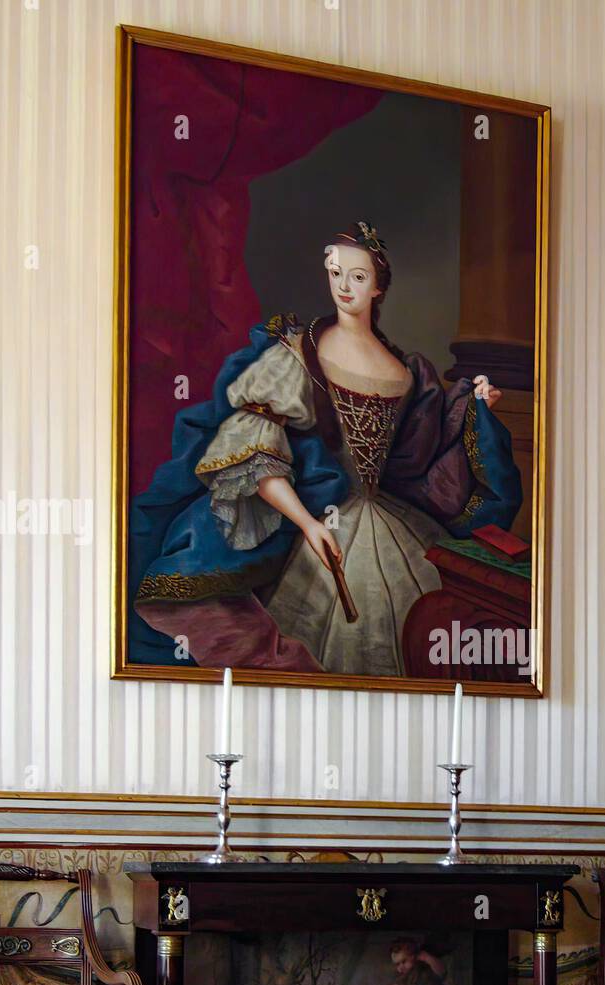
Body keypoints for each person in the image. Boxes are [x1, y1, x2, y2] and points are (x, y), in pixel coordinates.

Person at [130, 221, 522, 676]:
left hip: (397, 525)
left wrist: (476, 406)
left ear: (378, 287)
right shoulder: (299, 351)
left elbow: (426, 452)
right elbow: (258, 444)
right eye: (337, 273)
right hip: (322, 518)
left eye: (358, 276)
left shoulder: (405, 368)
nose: (344, 286)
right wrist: (308, 524)